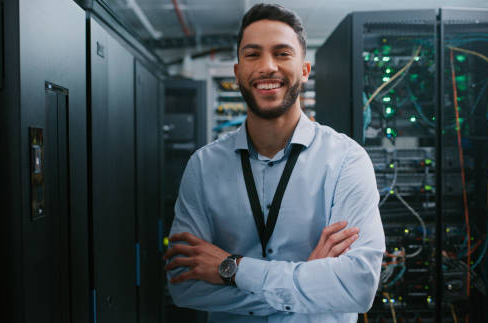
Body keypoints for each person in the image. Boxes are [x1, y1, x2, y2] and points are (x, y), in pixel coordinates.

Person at [163, 3, 385, 322]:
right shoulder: (203, 166)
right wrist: (309, 281)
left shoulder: (347, 161)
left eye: (282, 53)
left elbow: (358, 287)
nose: (268, 66)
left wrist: (232, 268)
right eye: (253, 54)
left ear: (305, 70)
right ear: (237, 71)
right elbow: (183, 286)